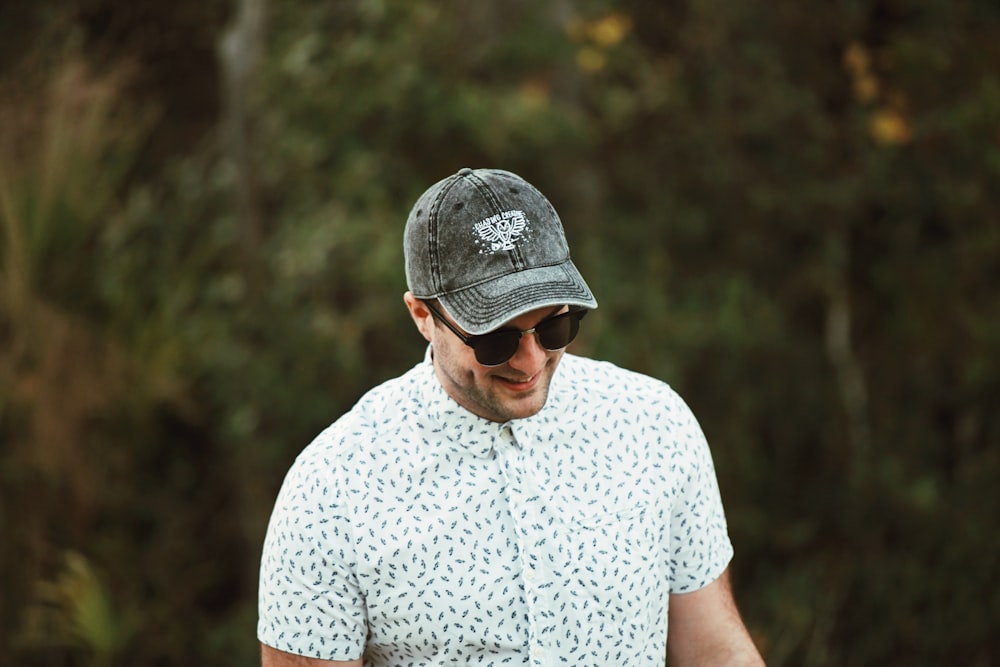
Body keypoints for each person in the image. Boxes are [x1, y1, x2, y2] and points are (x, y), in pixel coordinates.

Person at [257, 167, 765, 666]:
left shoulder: (655, 425)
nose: (530, 361)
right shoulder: (330, 488)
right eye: (496, 338)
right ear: (421, 316)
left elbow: (715, 651)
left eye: (554, 327)